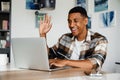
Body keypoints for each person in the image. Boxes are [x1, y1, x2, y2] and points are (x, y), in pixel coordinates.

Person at [39, 6, 108, 74]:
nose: (71, 25)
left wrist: (65, 62)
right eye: (69, 21)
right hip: (62, 77)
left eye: (76, 21)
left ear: (85, 21)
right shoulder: (64, 38)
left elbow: (94, 64)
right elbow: (48, 55)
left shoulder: (100, 40)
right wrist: (43, 34)